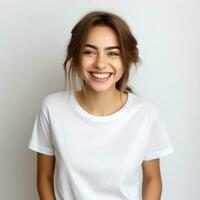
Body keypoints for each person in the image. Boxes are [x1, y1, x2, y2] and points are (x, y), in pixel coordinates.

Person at [28, 10, 174, 200]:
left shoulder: (146, 114)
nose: (100, 63)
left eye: (112, 53)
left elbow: (152, 179)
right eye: (89, 52)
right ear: (75, 55)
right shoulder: (52, 108)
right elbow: (44, 178)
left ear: (126, 58)